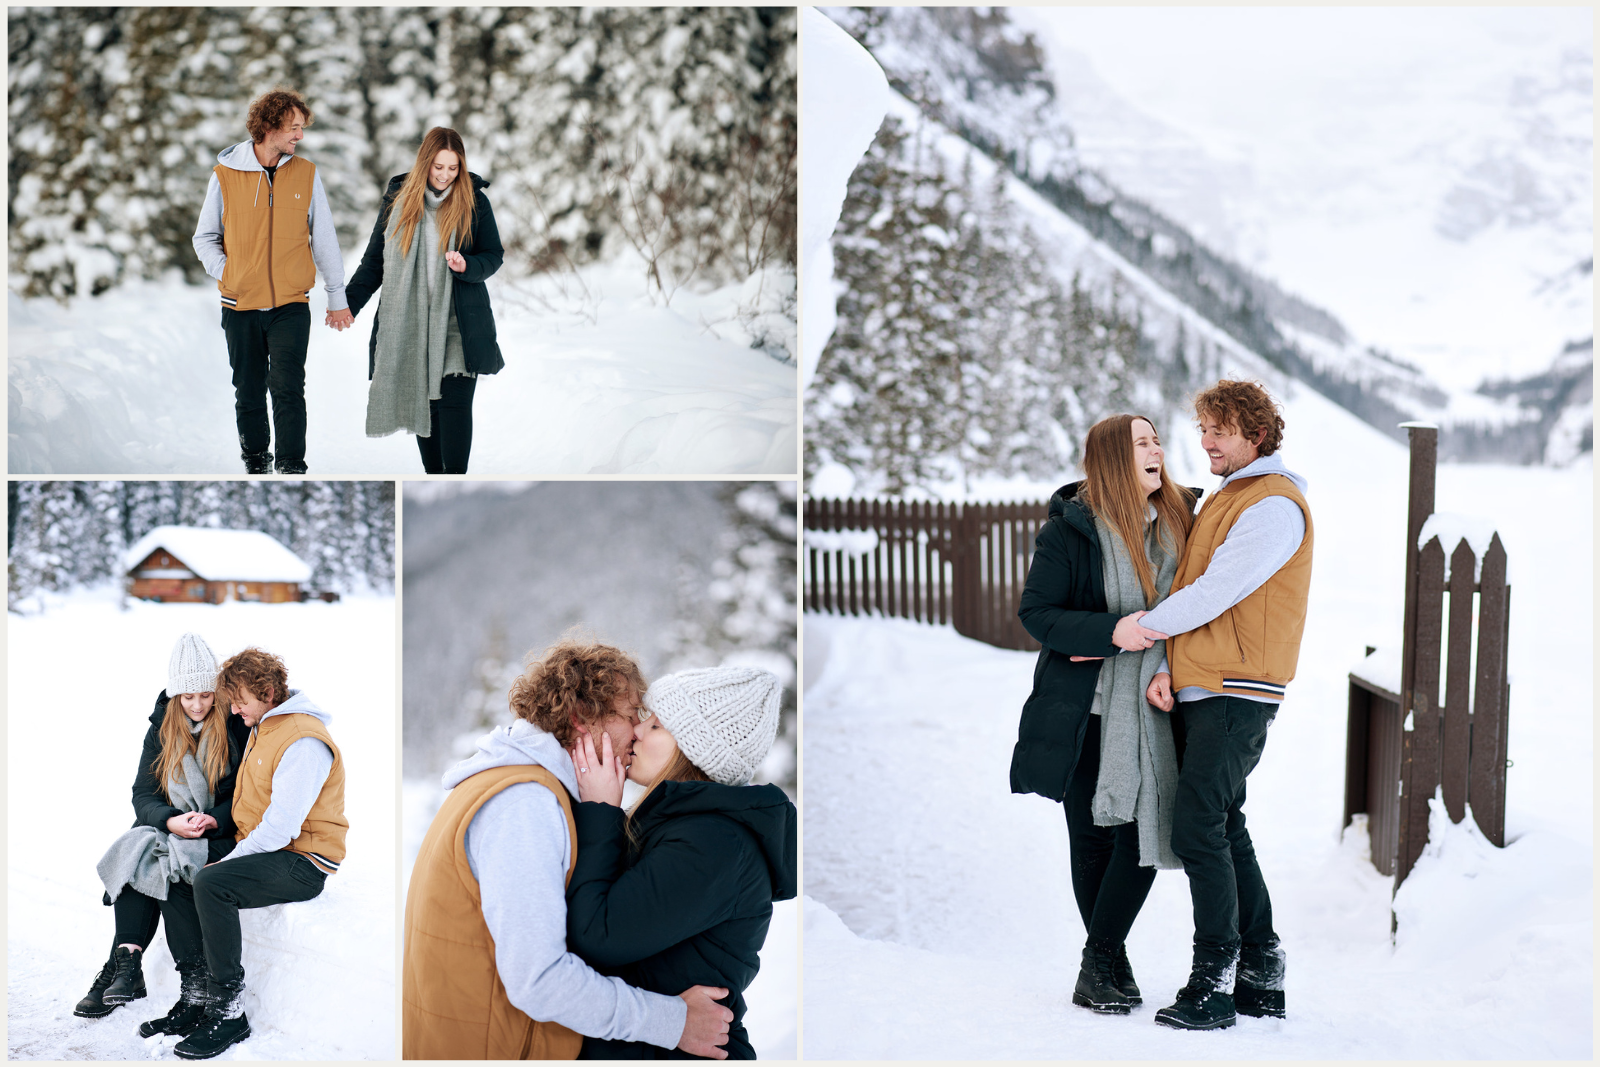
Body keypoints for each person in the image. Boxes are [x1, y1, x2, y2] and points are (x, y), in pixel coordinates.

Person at [403, 638, 738, 1060]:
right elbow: (539, 980)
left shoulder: (518, 783)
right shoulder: (525, 803)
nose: (638, 731)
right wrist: (673, 1022)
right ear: (583, 718)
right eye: (631, 715)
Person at [1130, 380, 1313, 1030]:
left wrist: (1144, 629)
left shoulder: (1273, 504)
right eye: (1203, 428)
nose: (1205, 441)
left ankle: (1213, 981)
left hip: (1239, 689)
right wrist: (1166, 667)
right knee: (1223, 821)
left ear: (1255, 435)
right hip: (1208, 683)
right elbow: (1194, 586)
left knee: (1197, 827)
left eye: (1220, 431)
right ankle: (1261, 971)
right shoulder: (1228, 496)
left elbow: (1215, 590)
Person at [1010, 415, 1199, 1016]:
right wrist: (1111, 631)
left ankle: (1099, 958)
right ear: (1114, 458)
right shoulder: (1073, 530)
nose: (1157, 450)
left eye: (1157, 440)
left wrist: (1166, 662)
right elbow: (1037, 613)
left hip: (1149, 702)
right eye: (1142, 443)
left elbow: (1193, 608)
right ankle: (1108, 966)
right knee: (1090, 837)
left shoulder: (1180, 519)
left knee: (1140, 831)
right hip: (1083, 707)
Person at [567, 665, 797, 1060]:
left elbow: (596, 936)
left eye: (655, 726)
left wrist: (601, 811)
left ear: (694, 749)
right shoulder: (686, 828)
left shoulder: (714, 844)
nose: (636, 731)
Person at [161, 647, 348, 1060]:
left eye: (239, 701)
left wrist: (225, 863)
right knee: (178, 865)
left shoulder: (302, 740)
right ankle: (196, 997)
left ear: (267, 692)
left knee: (210, 882)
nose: (233, 709)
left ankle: (229, 1013)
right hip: (267, 845)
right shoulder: (266, 723)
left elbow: (281, 828)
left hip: (303, 860)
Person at [77, 634, 250, 1038]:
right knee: (142, 845)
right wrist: (170, 820)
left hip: (221, 832)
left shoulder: (234, 725)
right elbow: (143, 794)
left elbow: (244, 795)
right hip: (178, 827)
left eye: (206, 694)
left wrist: (212, 821)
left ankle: (144, 974)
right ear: (175, 694)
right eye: (187, 695)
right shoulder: (162, 729)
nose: (197, 704)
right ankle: (127, 961)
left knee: (165, 862)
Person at [192, 88, 350, 475]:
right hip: (240, 304)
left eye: (302, 128)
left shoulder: (306, 174)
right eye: (293, 127)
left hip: (291, 305)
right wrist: (229, 273)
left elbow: (324, 238)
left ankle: (292, 467)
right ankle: (256, 463)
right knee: (248, 391)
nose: (300, 135)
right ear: (268, 127)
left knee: (287, 387)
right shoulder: (226, 176)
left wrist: (337, 296)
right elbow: (205, 238)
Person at [345, 127, 505, 475]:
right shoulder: (398, 201)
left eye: (453, 167)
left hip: (459, 323)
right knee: (428, 409)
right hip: (412, 322)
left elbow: (494, 255)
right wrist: (348, 304)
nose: (446, 175)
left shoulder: (474, 202)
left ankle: (454, 480)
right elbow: (376, 262)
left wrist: (468, 265)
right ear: (424, 163)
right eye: (438, 166)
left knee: (456, 405)